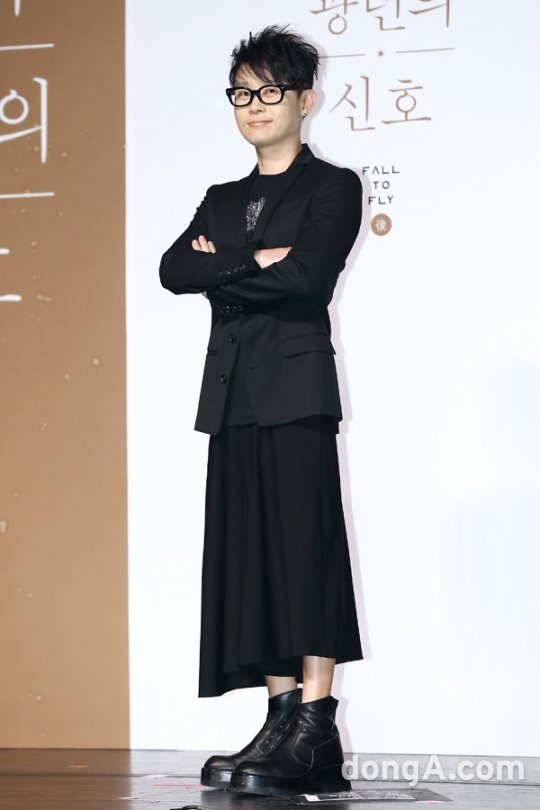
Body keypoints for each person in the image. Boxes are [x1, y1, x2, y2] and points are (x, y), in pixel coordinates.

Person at [159, 25, 363, 798]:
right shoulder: (222, 198)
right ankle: (279, 721)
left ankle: (315, 728)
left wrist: (225, 268)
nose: (254, 105)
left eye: (270, 90)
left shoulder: (332, 187)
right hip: (235, 393)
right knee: (253, 559)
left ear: (304, 99)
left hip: (297, 394)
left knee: (304, 554)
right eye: (242, 92)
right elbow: (174, 269)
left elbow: (307, 278)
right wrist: (256, 260)